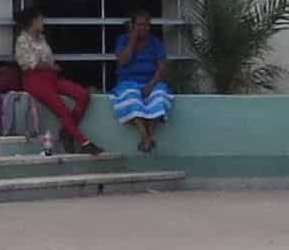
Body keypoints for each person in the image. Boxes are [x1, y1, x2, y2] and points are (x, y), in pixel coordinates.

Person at [9, 10, 99, 153]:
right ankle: (84, 142)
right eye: (40, 20)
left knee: (83, 95)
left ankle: (67, 132)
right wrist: (49, 66)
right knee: (62, 110)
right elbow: (31, 64)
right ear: (32, 22)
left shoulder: (42, 38)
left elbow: (48, 60)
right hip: (35, 81)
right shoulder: (22, 41)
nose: (43, 23)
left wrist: (50, 67)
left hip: (51, 77)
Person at [110, 12, 174, 153]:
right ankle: (146, 137)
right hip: (128, 82)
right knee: (132, 98)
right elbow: (123, 61)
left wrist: (151, 85)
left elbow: (162, 67)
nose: (142, 28)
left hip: (152, 81)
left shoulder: (155, 42)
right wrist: (132, 41)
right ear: (132, 26)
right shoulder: (123, 40)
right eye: (139, 25)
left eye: (145, 25)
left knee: (160, 96)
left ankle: (148, 137)